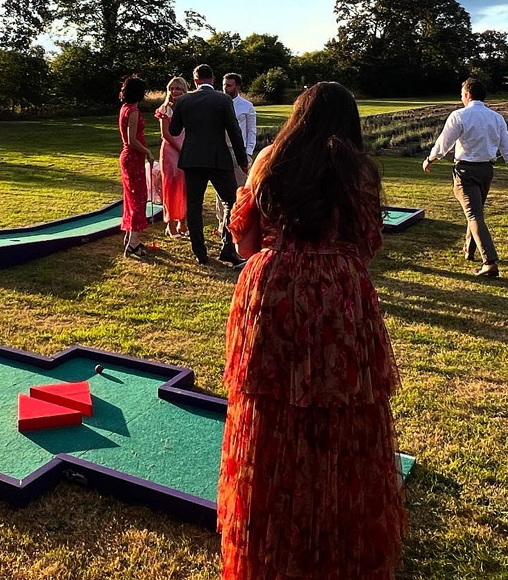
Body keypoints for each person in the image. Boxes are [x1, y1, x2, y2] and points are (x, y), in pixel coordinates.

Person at [219, 81, 405, 580]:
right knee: (342, 411)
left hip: (271, 289)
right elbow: (368, 243)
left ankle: (271, 546)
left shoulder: (267, 165)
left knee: (270, 410)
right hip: (339, 294)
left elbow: (243, 243)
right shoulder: (359, 171)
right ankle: (338, 543)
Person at [423, 77, 508, 279]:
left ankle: (489, 262)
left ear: (468, 95)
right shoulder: (497, 118)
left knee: (473, 215)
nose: (461, 98)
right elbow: (507, 149)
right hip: (486, 171)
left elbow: (444, 144)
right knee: (475, 212)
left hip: (465, 172)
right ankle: (469, 251)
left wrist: (430, 159)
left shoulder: (459, 115)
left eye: (462, 94)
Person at [168, 64, 248, 266]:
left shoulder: (184, 100)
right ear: (212, 79)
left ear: (195, 81)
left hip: (192, 159)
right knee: (231, 201)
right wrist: (242, 161)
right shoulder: (223, 99)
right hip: (217, 158)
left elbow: (175, 130)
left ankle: (200, 253)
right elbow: (234, 131)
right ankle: (228, 248)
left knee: (194, 205)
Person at [215, 72, 257, 230]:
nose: (225, 88)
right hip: (220, 151)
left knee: (240, 189)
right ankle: (222, 223)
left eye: (229, 85)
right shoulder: (217, 103)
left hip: (239, 152)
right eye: (224, 85)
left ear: (237, 87)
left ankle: (238, 222)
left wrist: (248, 153)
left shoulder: (247, 106)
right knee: (221, 189)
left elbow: (251, 131)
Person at [118, 76, 154, 259]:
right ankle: (133, 244)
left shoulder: (125, 108)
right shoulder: (132, 112)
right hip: (132, 158)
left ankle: (130, 238)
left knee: (132, 197)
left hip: (129, 158)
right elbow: (132, 141)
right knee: (138, 199)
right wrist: (147, 151)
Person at [155, 77, 190, 239]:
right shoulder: (164, 109)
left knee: (185, 187)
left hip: (187, 150)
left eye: (178, 89)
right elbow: (165, 134)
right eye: (172, 89)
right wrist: (181, 149)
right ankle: (170, 224)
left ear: (184, 90)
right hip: (170, 151)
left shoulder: (189, 107)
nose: (175, 91)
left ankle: (182, 222)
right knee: (170, 187)